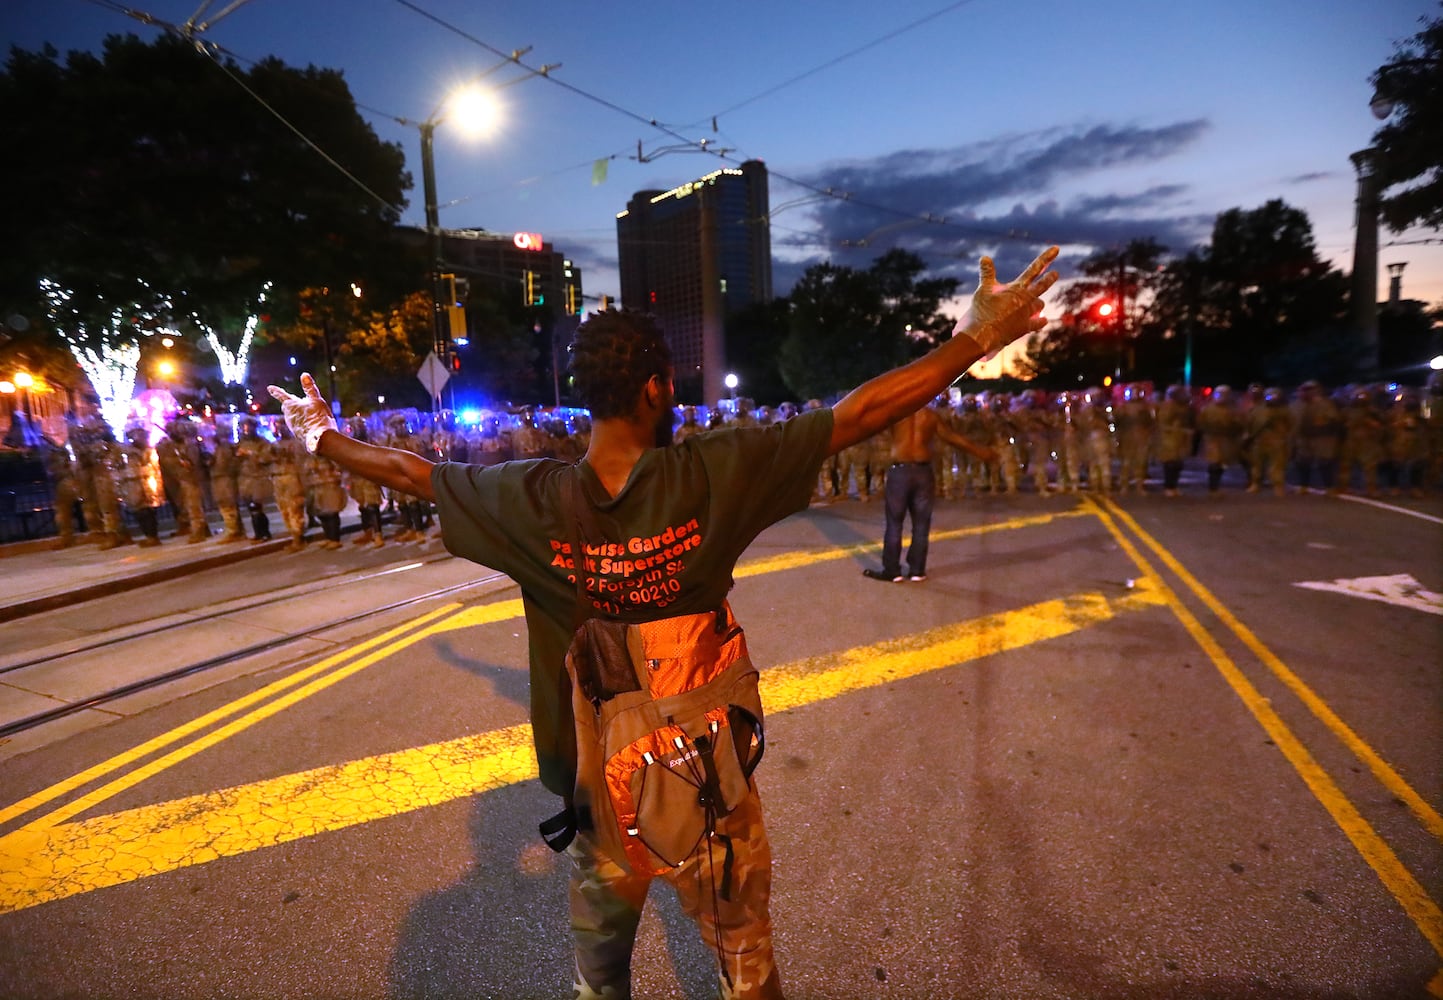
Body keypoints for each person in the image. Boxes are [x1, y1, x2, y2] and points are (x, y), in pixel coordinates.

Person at [269, 246, 1059, 1000]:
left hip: (594, 798)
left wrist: (320, 433)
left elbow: (411, 473)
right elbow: (856, 414)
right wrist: (978, 336)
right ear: (653, 390)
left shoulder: (529, 498)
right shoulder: (714, 473)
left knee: (601, 974)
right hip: (706, 785)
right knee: (741, 953)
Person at [861, 398, 998, 583]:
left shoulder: (895, 414)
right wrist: (981, 451)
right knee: (921, 524)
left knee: (894, 523)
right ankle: (917, 570)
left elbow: (869, 426)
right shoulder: (929, 415)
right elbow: (952, 438)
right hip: (923, 472)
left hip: (900, 472)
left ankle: (892, 570)